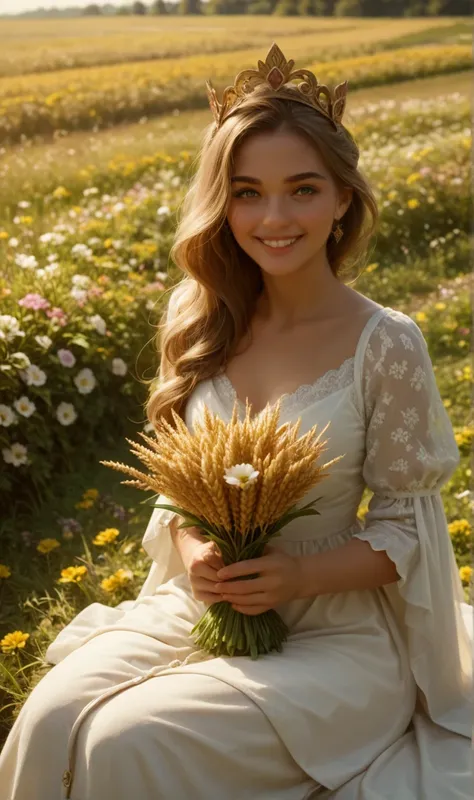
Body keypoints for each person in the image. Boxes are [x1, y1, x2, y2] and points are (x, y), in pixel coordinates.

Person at [0, 42, 472, 800]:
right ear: (222, 202)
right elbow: (176, 490)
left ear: (343, 198)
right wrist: (195, 552)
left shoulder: (386, 343)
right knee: (54, 714)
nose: (274, 218)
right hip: (201, 602)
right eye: (247, 192)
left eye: (303, 190)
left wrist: (295, 574)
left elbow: (408, 530)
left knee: (131, 739)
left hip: (339, 634)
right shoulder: (200, 322)